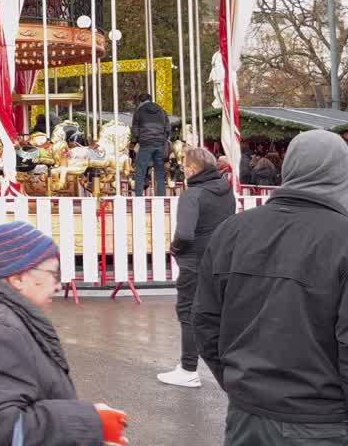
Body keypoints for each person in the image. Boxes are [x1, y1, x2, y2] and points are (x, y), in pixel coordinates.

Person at [194, 130, 348, 442]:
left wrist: (238, 383)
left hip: (247, 416)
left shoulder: (232, 231)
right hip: (322, 421)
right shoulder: (342, 237)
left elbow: (205, 322)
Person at [0, 221, 125, 445]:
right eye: (52, 273)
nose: (58, 285)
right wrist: (87, 422)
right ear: (17, 278)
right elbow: (0, 429)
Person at [157, 147, 235, 389]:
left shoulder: (193, 195)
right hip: (221, 258)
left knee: (189, 313)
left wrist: (176, 249)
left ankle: (189, 368)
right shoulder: (226, 191)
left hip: (195, 260)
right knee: (218, 313)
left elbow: (184, 234)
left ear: (191, 169)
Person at [130, 93, 171, 196]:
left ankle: (138, 196)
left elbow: (135, 129)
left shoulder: (139, 112)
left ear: (140, 101)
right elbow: (168, 128)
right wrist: (163, 139)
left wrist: (138, 140)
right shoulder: (161, 110)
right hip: (159, 144)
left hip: (145, 144)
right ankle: (161, 196)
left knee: (141, 171)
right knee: (160, 172)